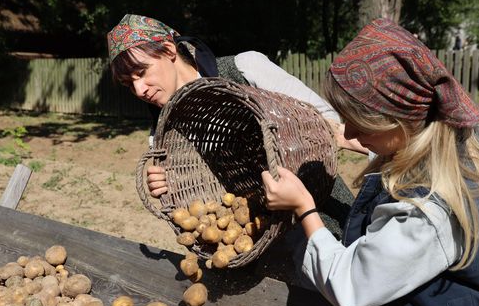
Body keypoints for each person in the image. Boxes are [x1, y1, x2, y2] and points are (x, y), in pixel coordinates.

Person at [261, 18, 479, 306]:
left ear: (399, 122)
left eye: (360, 125)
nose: (347, 133)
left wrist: (304, 208)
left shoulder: (430, 210)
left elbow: (349, 286)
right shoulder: (453, 125)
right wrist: (362, 140)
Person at [107, 14, 366, 240]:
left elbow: (329, 125)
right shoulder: (163, 135)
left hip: (326, 220)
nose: (139, 90)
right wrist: (166, 189)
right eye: (129, 84)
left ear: (168, 49)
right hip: (257, 244)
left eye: (141, 72)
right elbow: (192, 204)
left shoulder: (244, 69)